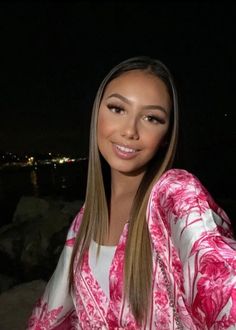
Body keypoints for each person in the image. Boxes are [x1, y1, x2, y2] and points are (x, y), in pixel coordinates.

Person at [27, 56, 236, 330]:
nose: (130, 130)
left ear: (165, 137)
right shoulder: (84, 220)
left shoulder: (175, 194)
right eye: (117, 108)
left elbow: (222, 278)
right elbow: (52, 315)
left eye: (151, 118)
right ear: (96, 113)